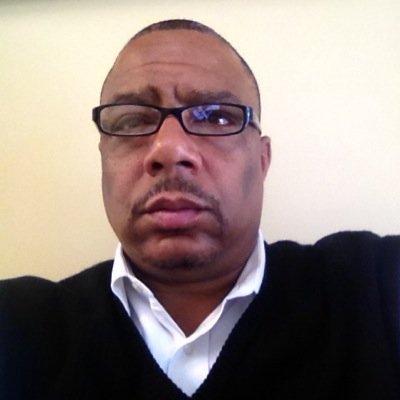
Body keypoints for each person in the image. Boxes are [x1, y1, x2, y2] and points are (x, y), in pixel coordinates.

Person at [0, 18, 399, 400]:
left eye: (216, 117)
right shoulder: (19, 327)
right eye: (133, 120)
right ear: (104, 157)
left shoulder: (376, 290)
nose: (169, 149)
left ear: (262, 161)